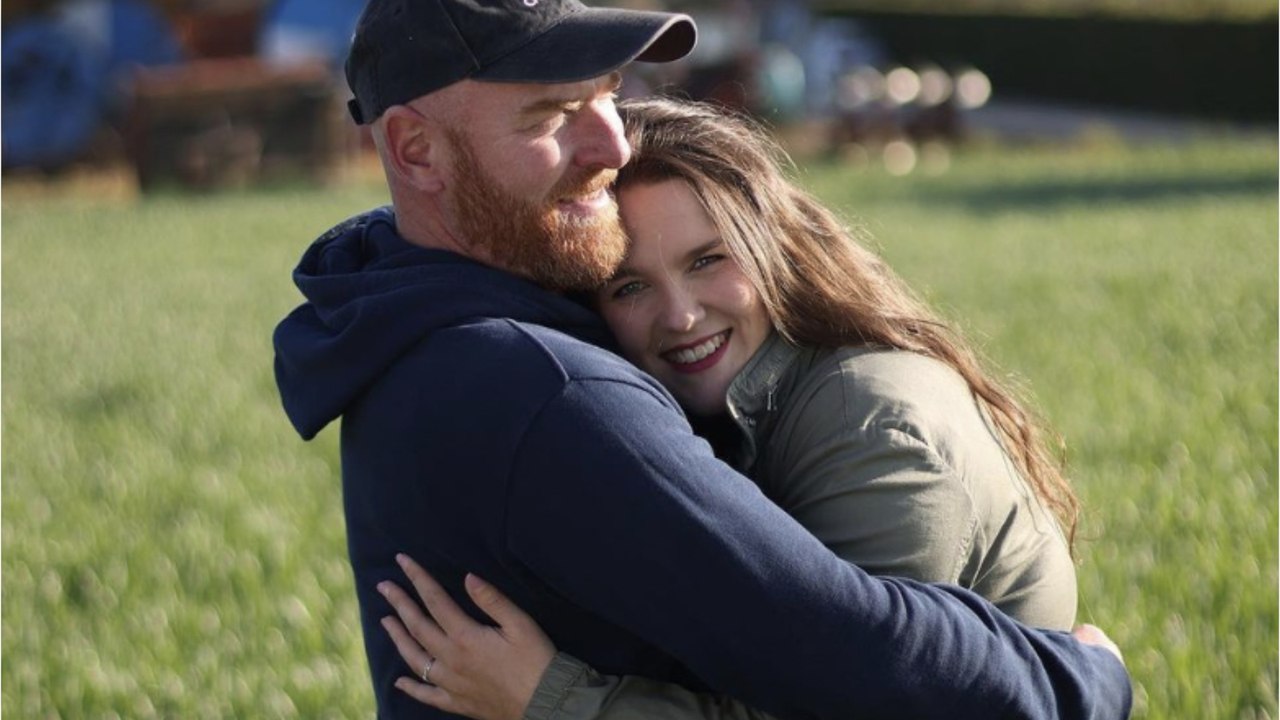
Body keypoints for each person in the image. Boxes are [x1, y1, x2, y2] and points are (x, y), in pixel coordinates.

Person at [272, 1, 1132, 719]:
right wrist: (1081, 683)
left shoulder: (397, 323)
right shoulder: (541, 389)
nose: (610, 146)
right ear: (415, 150)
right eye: (550, 114)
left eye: (608, 94)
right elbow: (854, 652)